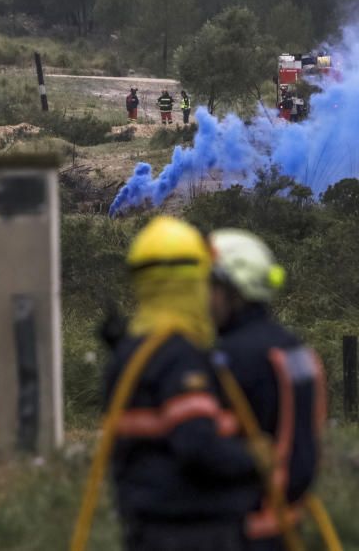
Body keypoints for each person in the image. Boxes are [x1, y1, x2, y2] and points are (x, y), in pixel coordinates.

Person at [103, 216, 262, 551]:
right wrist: (253, 459)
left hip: (144, 522)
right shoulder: (180, 357)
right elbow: (197, 445)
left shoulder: (130, 352)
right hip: (194, 529)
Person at [208, 229, 327, 551]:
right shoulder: (296, 349)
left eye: (212, 287)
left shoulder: (234, 357)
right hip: (288, 520)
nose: (204, 298)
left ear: (236, 289)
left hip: (241, 528)